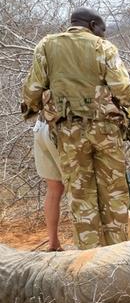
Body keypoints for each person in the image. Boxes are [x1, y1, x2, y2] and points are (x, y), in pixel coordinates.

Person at [21, 7, 130, 249]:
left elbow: (33, 88)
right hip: (106, 131)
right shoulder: (103, 47)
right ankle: (117, 256)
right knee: (114, 195)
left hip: (69, 132)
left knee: (80, 197)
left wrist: (33, 109)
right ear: (94, 24)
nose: (104, 34)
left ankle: (90, 262)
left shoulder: (47, 45)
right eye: (103, 29)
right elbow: (121, 87)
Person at [31, 91, 64, 251]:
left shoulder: (45, 67)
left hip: (40, 125)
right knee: (76, 186)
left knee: (54, 188)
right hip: (59, 128)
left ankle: (53, 243)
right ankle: (85, 245)